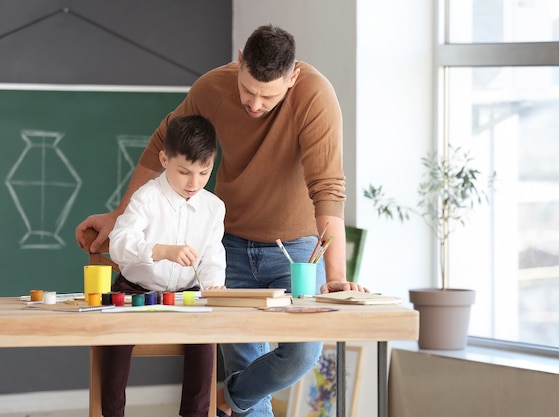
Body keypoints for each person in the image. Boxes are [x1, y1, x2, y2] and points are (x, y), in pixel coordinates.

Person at [76, 24, 368, 417]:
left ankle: (228, 398)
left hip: (296, 250)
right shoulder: (212, 88)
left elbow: (328, 188)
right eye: (248, 90)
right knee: (245, 360)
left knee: (302, 352)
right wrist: (121, 214)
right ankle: (238, 399)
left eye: (269, 95)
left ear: (293, 77)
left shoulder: (316, 96)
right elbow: (163, 144)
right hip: (228, 245)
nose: (255, 104)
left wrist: (334, 277)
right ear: (239, 61)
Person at [103, 114, 226, 417]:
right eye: (184, 172)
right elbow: (118, 242)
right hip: (135, 292)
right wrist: (160, 251)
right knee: (114, 346)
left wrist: (213, 284)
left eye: (203, 172)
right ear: (164, 159)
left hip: (188, 296)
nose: (193, 183)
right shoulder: (146, 198)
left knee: (204, 345)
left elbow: (212, 253)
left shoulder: (213, 207)